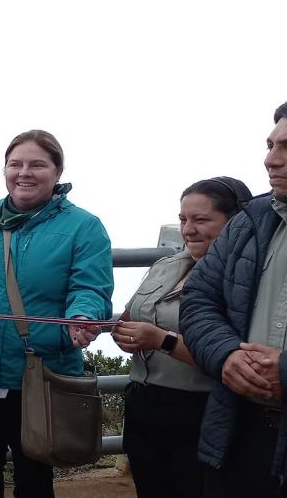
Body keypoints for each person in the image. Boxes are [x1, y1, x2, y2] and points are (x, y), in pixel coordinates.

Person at [0, 129, 112, 498]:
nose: (24, 173)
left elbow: (89, 287)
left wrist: (82, 317)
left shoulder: (83, 227)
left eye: (37, 165)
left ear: (58, 172)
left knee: (34, 475)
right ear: (5, 170)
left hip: (38, 375)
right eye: (16, 164)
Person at [112, 177, 250, 498]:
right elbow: (133, 315)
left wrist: (160, 339)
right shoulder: (165, 265)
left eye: (201, 220)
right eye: (183, 219)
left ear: (236, 221)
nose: (188, 230)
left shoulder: (241, 280)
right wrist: (125, 334)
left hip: (197, 411)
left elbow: (227, 355)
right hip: (143, 405)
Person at [182, 101, 287, 497]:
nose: (269, 160)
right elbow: (199, 300)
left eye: (286, 147)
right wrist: (226, 353)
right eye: (270, 144)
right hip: (238, 434)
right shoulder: (252, 219)